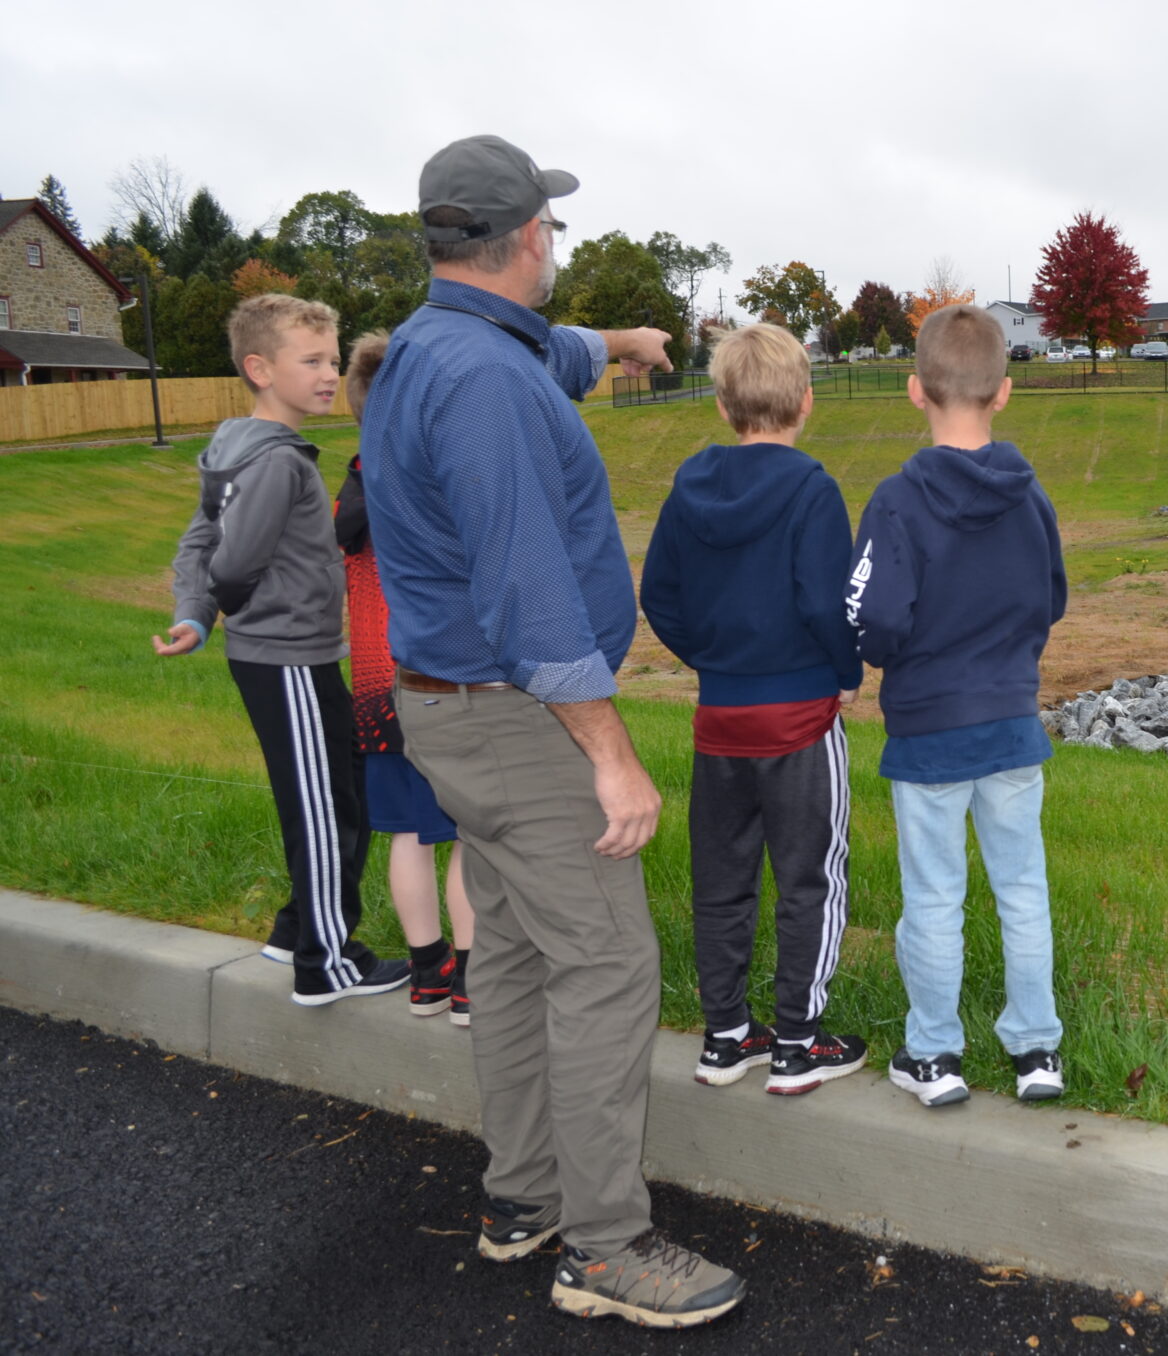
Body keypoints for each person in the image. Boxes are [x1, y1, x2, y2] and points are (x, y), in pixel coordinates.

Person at [358, 134, 743, 1330]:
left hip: (449, 715)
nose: (555, 246)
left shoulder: (438, 344)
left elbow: (543, 357)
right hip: (517, 717)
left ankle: (521, 1199)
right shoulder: (481, 385)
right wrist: (610, 754)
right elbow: (529, 600)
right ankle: (604, 1248)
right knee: (609, 965)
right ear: (528, 237)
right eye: (553, 230)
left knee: (519, 954)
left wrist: (619, 344)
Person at [156, 293, 408, 1007]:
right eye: (313, 361)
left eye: (332, 360)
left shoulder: (235, 445)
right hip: (288, 657)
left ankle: (295, 926)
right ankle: (327, 962)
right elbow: (230, 558)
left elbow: (196, 542)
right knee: (324, 806)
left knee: (337, 786)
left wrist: (195, 615)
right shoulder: (278, 463)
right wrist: (226, 600)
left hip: (290, 655)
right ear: (260, 368)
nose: (330, 373)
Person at [844, 304, 1068, 1109]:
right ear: (1003, 392)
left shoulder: (896, 503)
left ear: (915, 390)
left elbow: (871, 617)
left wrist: (886, 655)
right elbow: (1050, 598)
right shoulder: (1031, 497)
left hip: (931, 732)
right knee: (1022, 888)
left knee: (934, 895)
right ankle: (1036, 1047)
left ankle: (934, 1055)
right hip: (1010, 724)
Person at [639, 323, 866, 1096]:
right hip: (800, 717)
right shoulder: (812, 488)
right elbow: (826, 602)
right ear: (805, 402)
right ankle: (798, 1042)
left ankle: (726, 1034)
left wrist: (711, 658)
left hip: (721, 719)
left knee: (723, 879)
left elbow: (658, 595)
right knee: (811, 879)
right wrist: (845, 672)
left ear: (722, 404)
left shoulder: (688, 484)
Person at [333, 331, 475, 1025]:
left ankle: (427, 972)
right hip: (436, 680)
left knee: (408, 837)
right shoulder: (430, 478)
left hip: (372, 687)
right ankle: (474, 980)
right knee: (469, 832)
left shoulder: (355, 482)